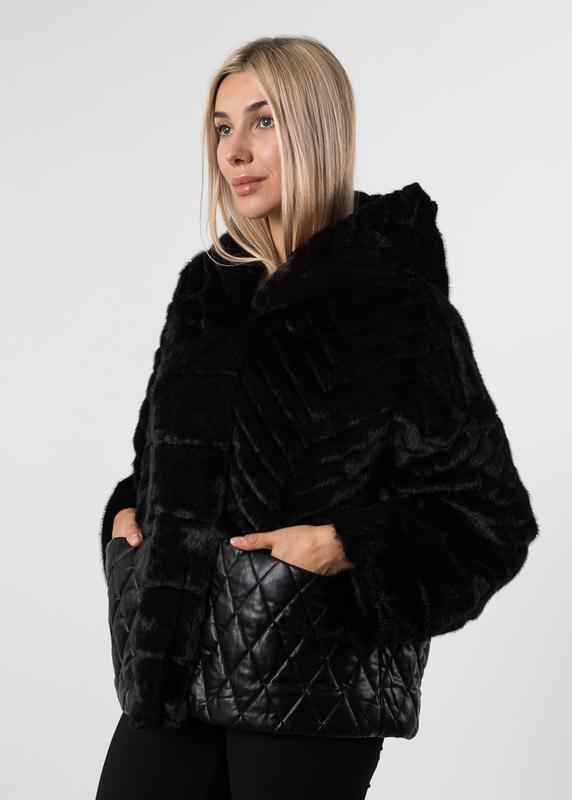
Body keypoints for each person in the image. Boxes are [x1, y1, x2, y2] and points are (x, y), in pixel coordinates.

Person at [96, 35, 539, 799]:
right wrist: (128, 515)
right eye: (222, 127)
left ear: (317, 130)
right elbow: (164, 459)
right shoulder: (207, 293)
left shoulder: (394, 306)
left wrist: (347, 546)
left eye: (263, 121)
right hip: (171, 675)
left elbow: (489, 520)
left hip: (310, 687)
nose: (235, 150)